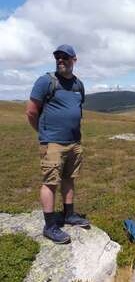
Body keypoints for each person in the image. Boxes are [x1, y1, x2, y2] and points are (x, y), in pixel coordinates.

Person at [26, 44, 89, 244]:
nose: (61, 60)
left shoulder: (79, 84)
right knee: (50, 182)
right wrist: (44, 134)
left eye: (65, 57)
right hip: (52, 142)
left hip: (74, 142)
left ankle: (69, 214)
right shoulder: (46, 81)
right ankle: (50, 225)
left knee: (70, 178)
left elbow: (77, 109)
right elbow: (31, 111)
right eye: (58, 57)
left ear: (74, 60)